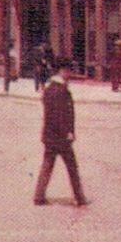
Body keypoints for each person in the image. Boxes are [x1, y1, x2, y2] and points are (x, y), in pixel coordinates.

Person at [33, 67, 88, 206]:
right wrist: (68, 132)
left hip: (49, 135)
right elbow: (61, 115)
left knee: (47, 165)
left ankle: (39, 196)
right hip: (61, 137)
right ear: (62, 71)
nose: (70, 74)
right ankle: (79, 197)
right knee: (72, 167)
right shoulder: (61, 91)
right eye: (68, 71)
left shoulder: (49, 89)